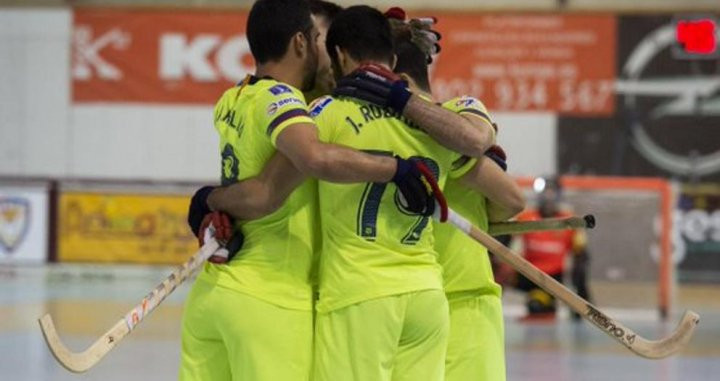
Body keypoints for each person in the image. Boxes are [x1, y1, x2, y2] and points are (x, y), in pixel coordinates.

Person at [180, 1, 495, 380]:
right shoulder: (438, 122)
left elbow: (265, 189)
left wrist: (209, 200)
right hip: (398, 294)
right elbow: (503, 183)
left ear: (341, 54)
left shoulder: (246, 100)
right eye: (317, 40)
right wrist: (396, 165)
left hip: (261, 292)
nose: (322, 53)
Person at [306, 6, 501, 380]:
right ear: (393, 60)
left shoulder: (325, 114)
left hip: (359, 293)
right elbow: (479, 140)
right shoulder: (440, 121)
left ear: (340, 55)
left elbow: (291, 164)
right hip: (426, 295)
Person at [386, 10, 525, 381]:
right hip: (404, 301)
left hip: (464, 299)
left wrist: (466, 166)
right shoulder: (379, 131)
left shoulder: (458, 114)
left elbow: (511, 201)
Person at [512, 176, 591, 321]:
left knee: (538, 306)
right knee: (499, 264)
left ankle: (549, 302)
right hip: (528, 274)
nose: (548, 196)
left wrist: (580, 297)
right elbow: (506, 241)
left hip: (553, 278)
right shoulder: (526, 217)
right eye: (545, 191)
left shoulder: (569, 221)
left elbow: (581, 256)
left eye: (552, 191)